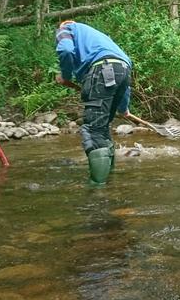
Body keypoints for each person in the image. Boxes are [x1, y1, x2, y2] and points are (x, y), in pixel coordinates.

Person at [55, 20, 132, 184]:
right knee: (102, 127)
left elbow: (66, 50)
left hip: (101, 69)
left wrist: (66, 75)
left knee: (93, 130)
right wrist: (123, 108)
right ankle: (109, 178)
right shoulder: (98, 38)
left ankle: (98, 187)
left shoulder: (65, 29)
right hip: (124, 69)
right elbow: (123, 79)